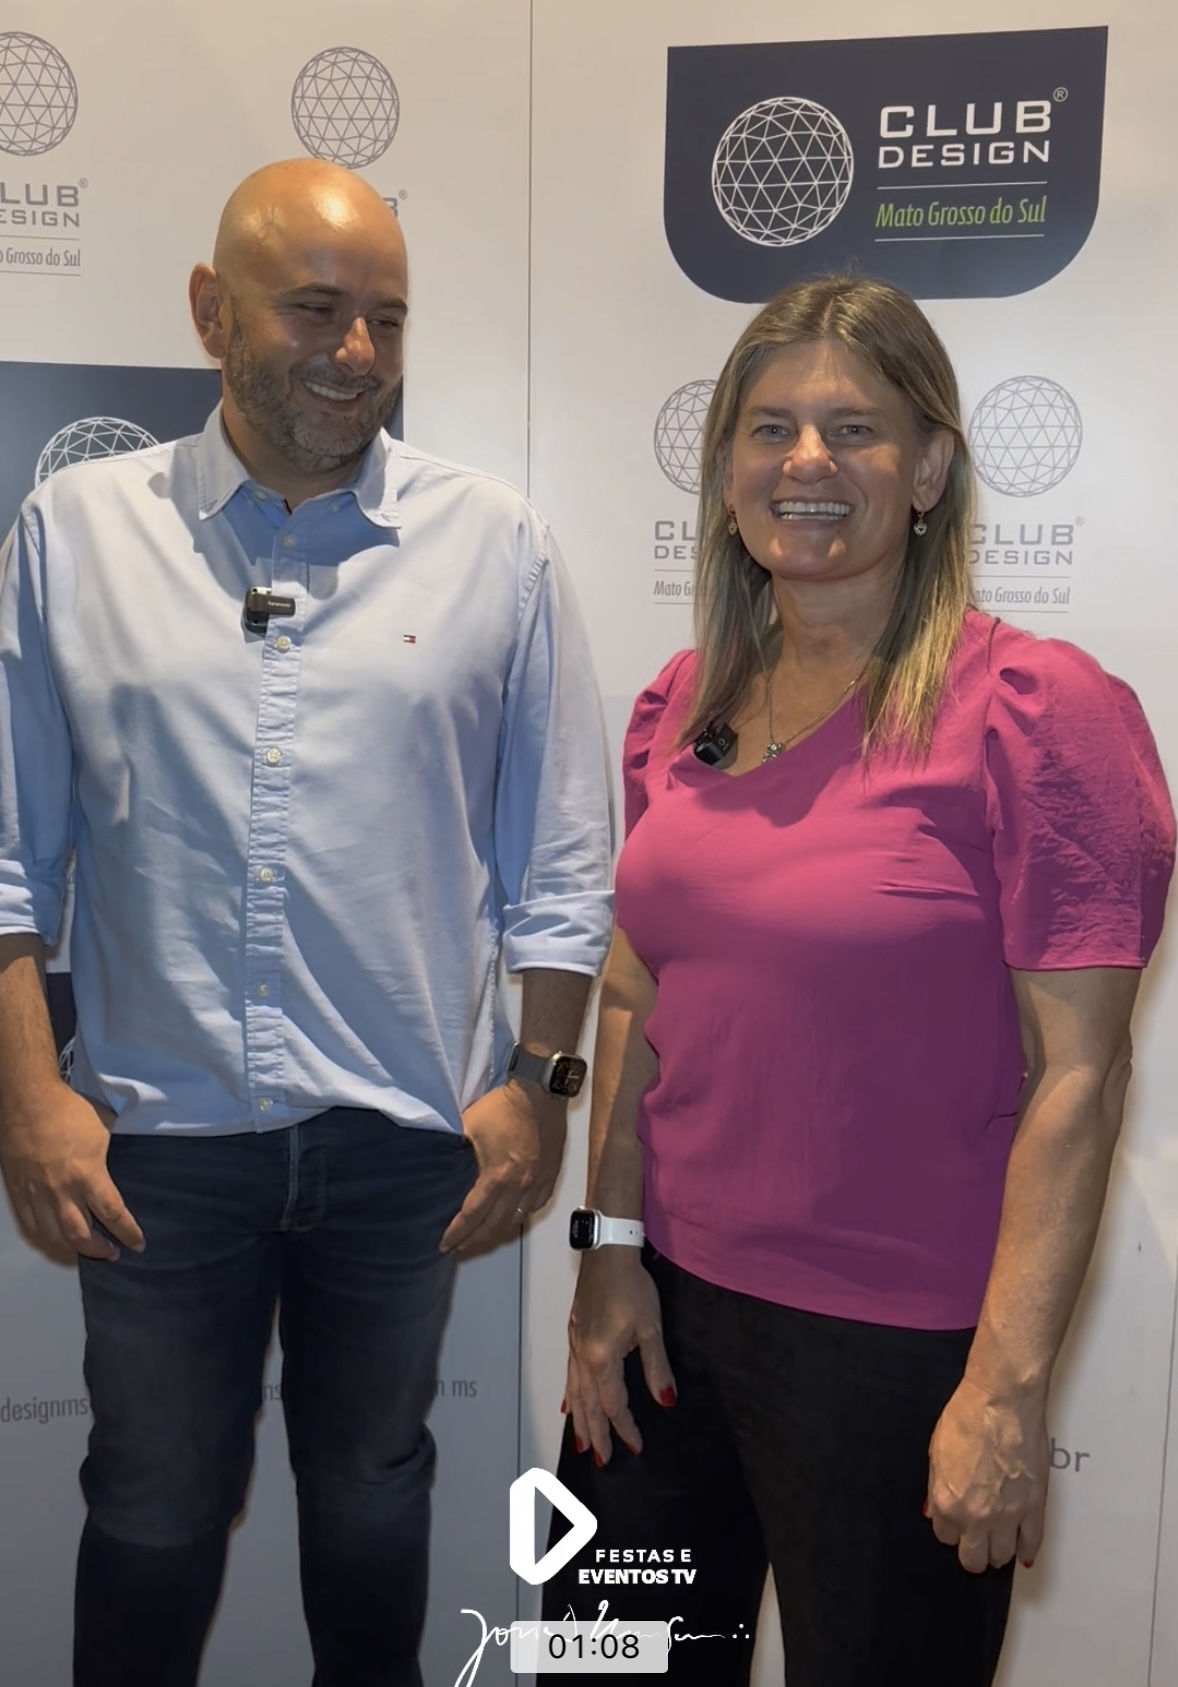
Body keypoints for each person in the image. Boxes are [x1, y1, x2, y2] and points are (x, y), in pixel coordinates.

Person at [0, 159, 613, 1687]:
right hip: (153, 1139)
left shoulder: (494, 546)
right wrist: (27, 1103)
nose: (355, 353)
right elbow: (8, 857)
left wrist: (537, 1092)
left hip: (404, 1141)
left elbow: (561, 861)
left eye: (385, 320)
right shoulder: (75, 533)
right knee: (148, 1504)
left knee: (372, 1491)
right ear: (211, 311)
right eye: (315, 310)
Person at [541, 275, 1174, 1687]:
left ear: (930, 468)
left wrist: (1003, 1390)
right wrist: (607, 1252)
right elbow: (637, 991)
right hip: (662, 1322)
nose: (806, 462)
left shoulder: (1036, 712)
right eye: (769, 428)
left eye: (855, 428)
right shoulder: (682, 703)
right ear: (724, 473)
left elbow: (1082, 1073)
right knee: (603, 1667)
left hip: (898, 1358)